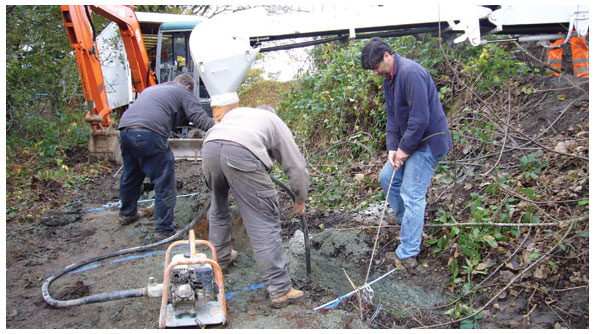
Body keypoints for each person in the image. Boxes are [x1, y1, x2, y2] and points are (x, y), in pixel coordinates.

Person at [202, 101, 308, 308]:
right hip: (240, 152)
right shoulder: (275, 122)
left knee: (218, 208)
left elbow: (218, 138)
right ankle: (280, 289)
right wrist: (300, 198)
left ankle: (220, 259)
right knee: (262, 219)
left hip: (210, 148)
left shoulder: (238, 114)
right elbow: (296, 166)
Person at [360, 37, 452, 269]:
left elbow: (420, 119)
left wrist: (403, 150)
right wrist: (393, 148)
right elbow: (392, 117)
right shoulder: (388, 79)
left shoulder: (410, 73)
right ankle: (407, 221)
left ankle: (408, 252)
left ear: (387, 56)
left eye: (376, 67)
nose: (375, 73)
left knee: (412, 194)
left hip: (428, 143)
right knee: (386, 177)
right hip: (409, 142)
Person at [117, 74, 214, 239]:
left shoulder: (153, 89)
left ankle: (127, 214)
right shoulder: (184, 92)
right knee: (164, 182)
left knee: (131, 174)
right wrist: (224, 126)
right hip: (150, 133)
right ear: (189, 87)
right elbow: (201, 120)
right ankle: (164, 230)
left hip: (125, 130)